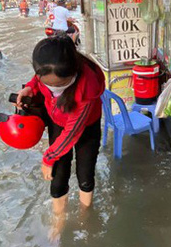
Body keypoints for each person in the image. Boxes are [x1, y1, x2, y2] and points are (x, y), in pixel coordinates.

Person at [16, 36, 105, 235]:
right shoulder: (48, 69)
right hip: (57, 121)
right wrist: (30, 87)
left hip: (86, 127)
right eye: (47, 84)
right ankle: (59, 219)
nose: (54, 89)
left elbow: (72, 133)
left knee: (85, 173)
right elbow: (39, 80)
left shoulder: (87, 87)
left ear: (73, 73)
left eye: (60, 84)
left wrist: (48, 157)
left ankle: (85, 214)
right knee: (58, 175)